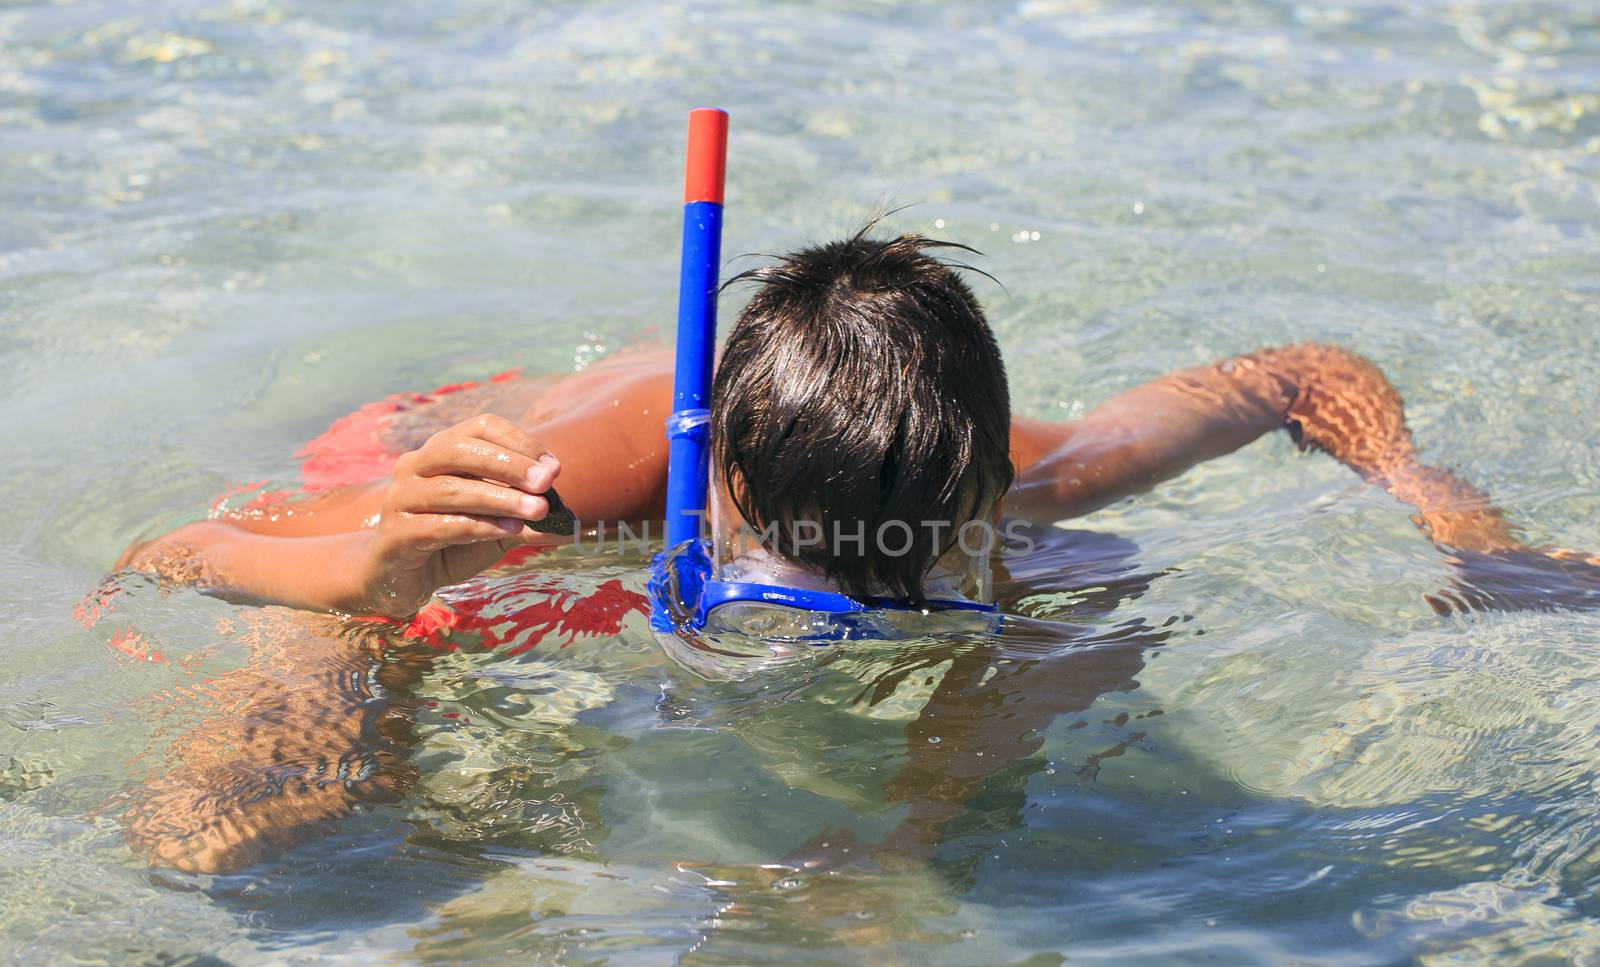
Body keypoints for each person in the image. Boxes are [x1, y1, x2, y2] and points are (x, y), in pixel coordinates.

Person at [111, 225, 1600, 872]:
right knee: (241, 829)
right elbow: (173, 549)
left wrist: (1469, 529)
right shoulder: (577, 490)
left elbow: (1303, 376)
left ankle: (910, 851)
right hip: (413, 472)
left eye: (914, 566)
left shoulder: (1021, 475)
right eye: (807, 589)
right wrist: (364, 581)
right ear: (728, 495)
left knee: (1082, 606)